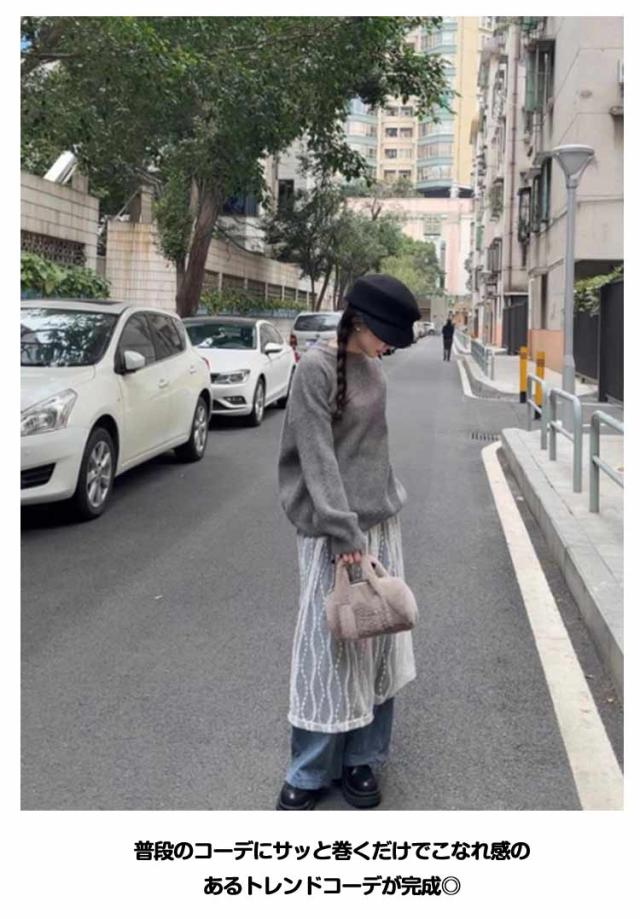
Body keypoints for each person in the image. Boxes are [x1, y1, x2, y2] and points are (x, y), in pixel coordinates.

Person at [276, 274, 420, 811]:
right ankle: (310, 769)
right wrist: (343, 532)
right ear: (358, 322)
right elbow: (316, 456)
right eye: (386, 335)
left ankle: (363, 757)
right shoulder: (314, 369)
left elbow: (371, 452)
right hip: (331, 531)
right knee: (329, 643)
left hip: (378, 523)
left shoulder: (374, 367)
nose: (389, 347)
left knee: (378, 637)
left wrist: (373, 518)